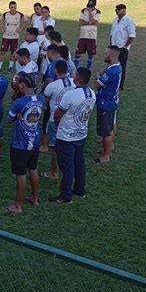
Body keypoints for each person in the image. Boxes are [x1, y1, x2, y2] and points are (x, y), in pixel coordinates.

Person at [49, 67, 96, 203]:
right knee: (79, 163)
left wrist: (57, 125)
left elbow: (58, 114)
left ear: (78, 78)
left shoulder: (71, 95)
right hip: (81, 133)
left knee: (67, 166)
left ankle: (65, 195)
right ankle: (80, 190)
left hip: (66, 136)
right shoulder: (92, 93)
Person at [2, 74, 44, 213]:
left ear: (23, 85)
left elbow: (9, 119)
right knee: (33, 169)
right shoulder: (41, 99)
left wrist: (19, 116)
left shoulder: (19, 102)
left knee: (20, 174)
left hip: (20, 144)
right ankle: (35, 199)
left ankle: (18, 206)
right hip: (35, 141)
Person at [42, 60, 76, 179]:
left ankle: (54, 172)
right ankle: (69, 168)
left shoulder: (52, 86)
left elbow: (44, 103)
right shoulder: (75, 82)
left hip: (55, 119)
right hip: (71, 120)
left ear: (56, 70)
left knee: (56, 148)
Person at [93, 46, 122, 164]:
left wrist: (98, 77)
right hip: (112, 101)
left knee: (106, 131)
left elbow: (97, 84)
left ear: (111, 56)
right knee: (111, 126)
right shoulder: (117, 67)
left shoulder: (111, 71)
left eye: (106, 54)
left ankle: (105, 156)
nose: (104, 56)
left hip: (106, 103)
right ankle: (109, 149)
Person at [110, 3, 136, 90]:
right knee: (111, 64)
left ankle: (120, 85)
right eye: (116, 9)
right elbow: (112, 33)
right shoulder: (115, 20)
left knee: (121, 67)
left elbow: (132, 36)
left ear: (124, 10)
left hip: (122, 48)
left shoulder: (129, 21)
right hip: (114, 47)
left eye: (118, 9)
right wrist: (111, 45)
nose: (116, 11)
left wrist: (125, 46)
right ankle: (112, 81)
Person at [0, 1, 29, 71]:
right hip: (6, 36)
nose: (13, 9)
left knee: (13, 52)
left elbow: (27, 21)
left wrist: (21, 29)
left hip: (15, 37)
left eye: (14, 7)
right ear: (9, 8)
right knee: (3, 52)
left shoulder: (20, 14)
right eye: (11, 7)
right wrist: (2, 28)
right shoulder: (6, 14)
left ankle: (10, 66)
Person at [73, 0, 101, 70]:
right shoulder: (83, 10)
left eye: (90, 7)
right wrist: (89, 23)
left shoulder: (97, 12)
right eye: (88, 6)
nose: (88, 8)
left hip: (91, 36)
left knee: (91, 54)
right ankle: (75, 68)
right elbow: (80, 23)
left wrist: (89, 12)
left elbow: (92, 21)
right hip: (82, 36)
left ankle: (88, 69)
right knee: (78, 53)